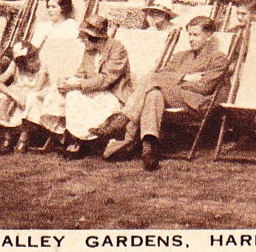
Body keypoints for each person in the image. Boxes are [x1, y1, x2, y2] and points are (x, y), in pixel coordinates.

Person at [93, 16, 230, 170]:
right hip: (174, 96)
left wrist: (174, 81)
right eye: (190, 35)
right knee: (153, 94)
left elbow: (205, 87)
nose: (191, 39)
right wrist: (185, 78)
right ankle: (149, 145)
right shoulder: (181, 56)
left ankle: (122, 122)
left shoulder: (218, 58)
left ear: (209, 36)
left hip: (198, 101)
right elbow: (162, 74)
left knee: (152, 79)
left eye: (196, 35)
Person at [58, 15, 131, 159]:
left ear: (94, 37)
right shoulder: (89, 50)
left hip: (113, 93)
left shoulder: (117, 48)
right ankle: (76, 138)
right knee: (72, 94)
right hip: (94, 90)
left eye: (83, 37)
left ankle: (78, 140)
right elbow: (82, 73)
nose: (81, 40)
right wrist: (68, 81)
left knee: (76, 94)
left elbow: (106, 78)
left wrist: (77, 84)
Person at [0, 40, 49, 152]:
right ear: (21, 62)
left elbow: (37, 89)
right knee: (5, 97)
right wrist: (14, 96)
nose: (35, 62)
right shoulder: (16, 65)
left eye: (35, 57)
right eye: (30, 60)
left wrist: (19, 97)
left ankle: (24, 138)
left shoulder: (42, 66)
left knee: (30, 99)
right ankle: (8, 137)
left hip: (35, 95)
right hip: (18, 94)